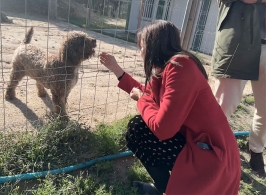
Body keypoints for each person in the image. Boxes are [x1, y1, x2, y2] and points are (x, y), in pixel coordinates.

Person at [99, 20, 241, 195]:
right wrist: (117, 70)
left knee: (139, 129)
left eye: (142, 46)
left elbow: (162, 129)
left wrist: (141, 101)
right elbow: (146, 93)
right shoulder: (169, 68)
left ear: (153, 45)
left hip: (214, 158)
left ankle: (165, 190)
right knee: (139, 128)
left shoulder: (180, 67)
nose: (141, 53)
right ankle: (164, 189)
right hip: (199, 146)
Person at [211, 0, 266, 176]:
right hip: (236, 45)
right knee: (223, 106)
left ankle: (256, 150)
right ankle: (208, 149)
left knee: (265, 109)